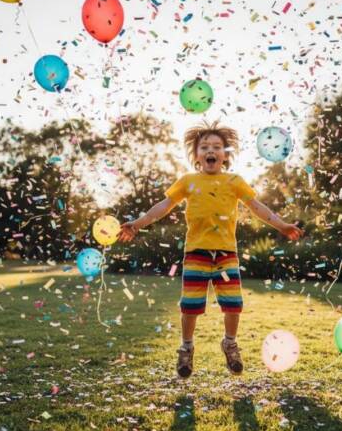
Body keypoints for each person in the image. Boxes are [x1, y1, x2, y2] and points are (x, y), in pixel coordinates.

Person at [118, 121, 303, 378]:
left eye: (217, 146)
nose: (210, 150)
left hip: (226, 254)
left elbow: (257, 207)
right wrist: (137, 224)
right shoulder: (188, 181)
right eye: (204, 147)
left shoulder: (235, 181)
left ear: (225, 155)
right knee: (190, 306)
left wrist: (282, 225)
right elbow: (163, 206)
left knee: (233, 305)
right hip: (196, 253)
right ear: (196, 155)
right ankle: (186, 347)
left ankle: (230, 343)